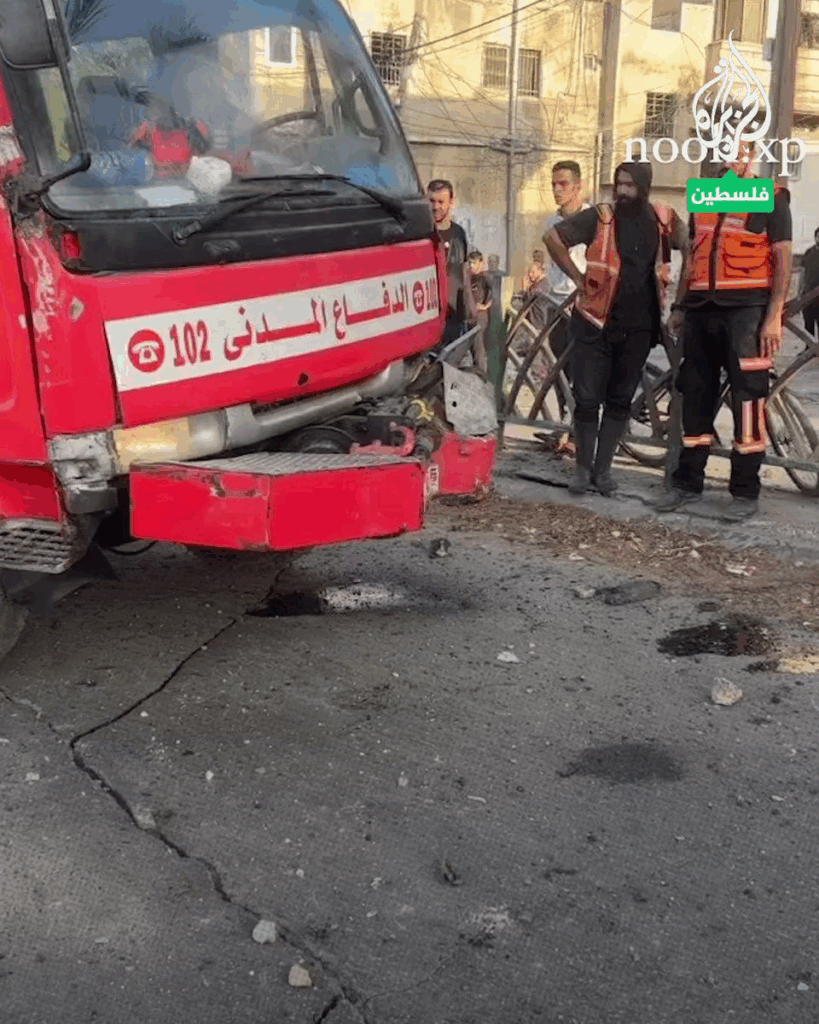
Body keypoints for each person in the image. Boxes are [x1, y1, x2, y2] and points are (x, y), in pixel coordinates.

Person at [657, 137, 793, 522]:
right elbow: (693, 256)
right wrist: (681, 305)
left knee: (748, 400)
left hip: (747, 313)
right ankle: (687, 483)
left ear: (751, 153)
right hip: (701, 310)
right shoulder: (704, 195)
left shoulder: (772, 196)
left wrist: (774, 316)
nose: (729, 157)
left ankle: (744, 491)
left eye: (737, 149)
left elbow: (783, 258)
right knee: (695, 395)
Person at [544, 160, 687, 496]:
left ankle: (603, 471)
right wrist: (578, 278)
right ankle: (582, 471)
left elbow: (691, 246)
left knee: (620, 401)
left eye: (630, 185)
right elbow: (552, 238)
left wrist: (680, 303)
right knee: (586, 399)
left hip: (639, 327)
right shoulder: (601, 216)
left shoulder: (663, 218)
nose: (622, 191)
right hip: (594, 323)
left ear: (645, 188)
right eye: (619, 183)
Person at [540, 162, 592, 409]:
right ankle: (563, 415)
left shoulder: (593, 218)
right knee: (559, 364)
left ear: (577, 186)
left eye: (563, 184)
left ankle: (580, 418)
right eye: (554, 185)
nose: (557, 190)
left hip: (582, 303)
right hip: (556, 303)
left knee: (583, 365)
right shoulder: (552, 222)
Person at [427, 179, 470, 345]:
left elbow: (464, 271)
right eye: (431, 201)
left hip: (454, 316)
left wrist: (470, 306)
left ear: (451, 202)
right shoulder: (422, 234)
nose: (435, 206)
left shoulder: (459, 234)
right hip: (429, 316)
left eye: (440, 202)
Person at [468, 250, 493, 374]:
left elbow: (498, 292)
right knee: (473, 346)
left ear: (480, 263)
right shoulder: (469, 277)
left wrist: (486, 306)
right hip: (470, 316)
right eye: (469, 263)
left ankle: (481, 372)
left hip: (480, 317)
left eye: (474, 263)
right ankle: (477, 369)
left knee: (478, 346)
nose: (471, 265)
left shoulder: (485, 277)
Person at [800, 227, 819, 343]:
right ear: (815, 237)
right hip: (807, 295)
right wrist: (799, 291)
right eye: (818, 236)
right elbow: (802, 272)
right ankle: (808, 348)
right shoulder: (809, 252)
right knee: (808, 323)